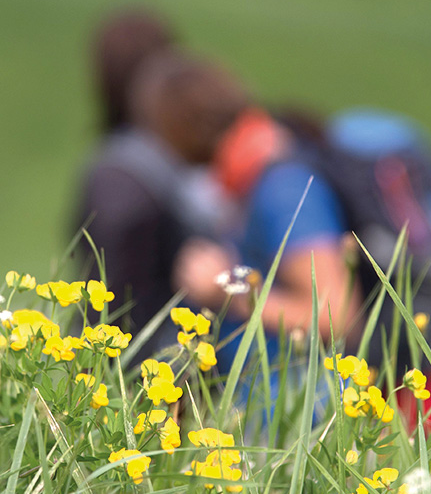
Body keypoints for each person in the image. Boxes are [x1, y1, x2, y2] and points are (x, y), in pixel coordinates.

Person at [134, 52, 359, 364]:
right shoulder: (250, 172)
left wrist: (227, 290)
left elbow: (336, 316)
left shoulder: (284, 188)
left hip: (303, 405)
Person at [74, 11, 226, 352]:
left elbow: (106, 286)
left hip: (135, 354)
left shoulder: (111, 170)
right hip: (194, 349)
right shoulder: (193, 159)